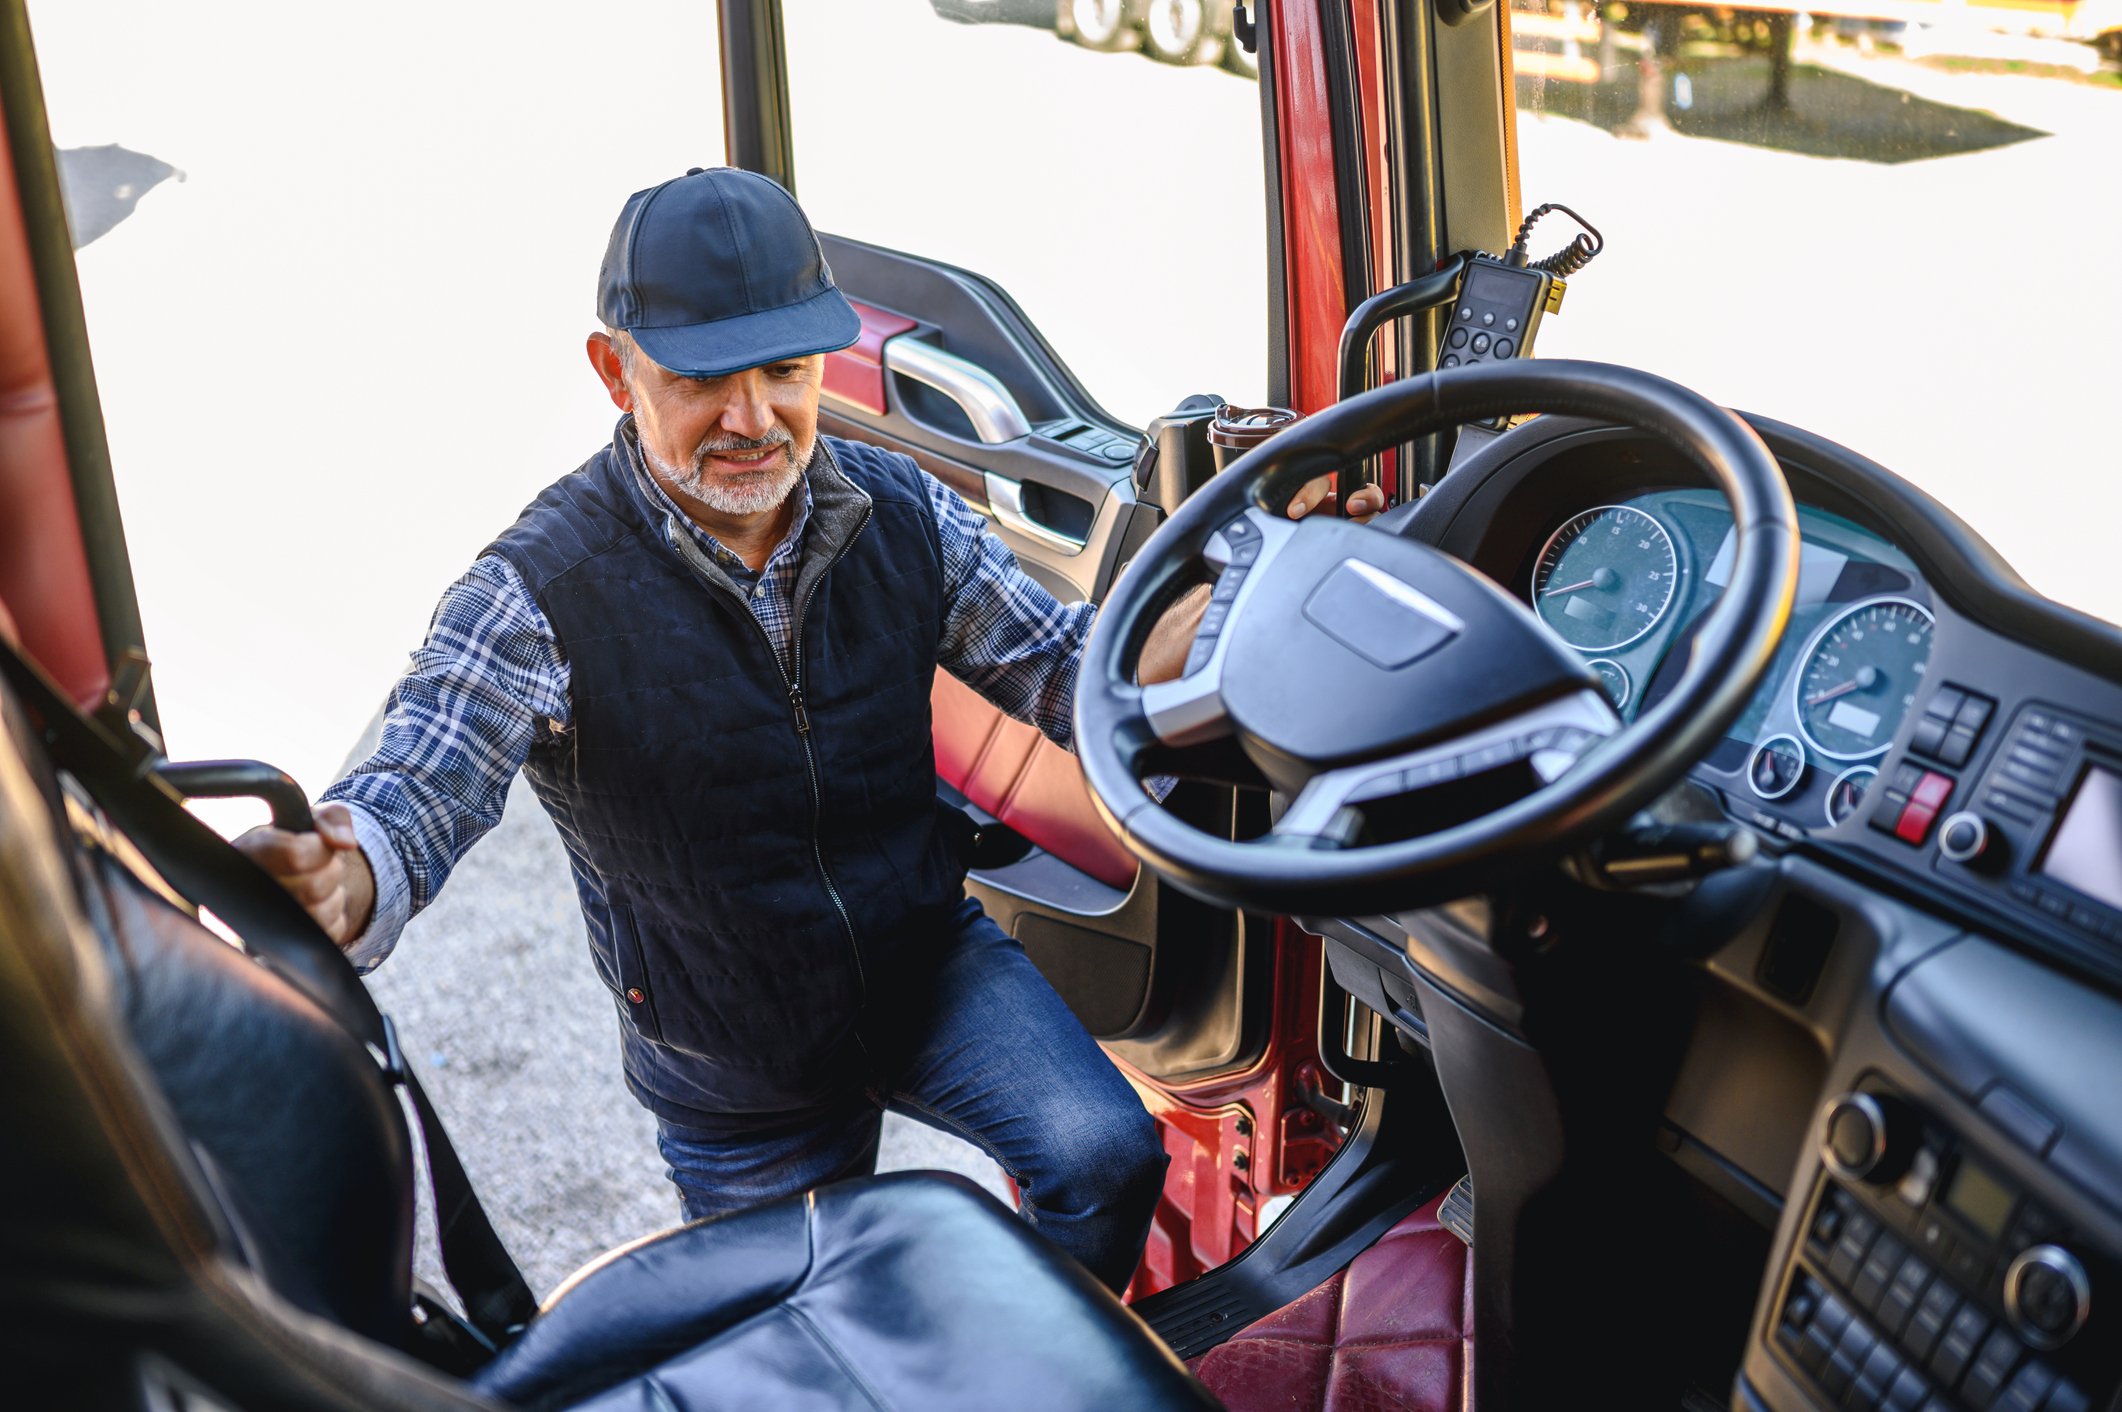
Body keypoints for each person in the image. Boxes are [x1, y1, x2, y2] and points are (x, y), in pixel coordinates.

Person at [236, 166, 1382, 1293]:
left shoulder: (904, 509)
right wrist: (345, 871)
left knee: (1106, 1155)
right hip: (735, 1056)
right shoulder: (538, 589)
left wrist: (1259, 582)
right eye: (700, 379)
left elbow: (1079, 672)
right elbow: (419, 779)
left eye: (784, 370)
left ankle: (1024, 1364)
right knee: (805, 1329)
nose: (752, 419)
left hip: (923, 961)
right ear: (612, 369)